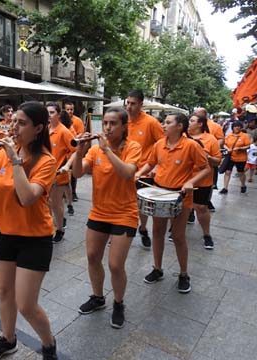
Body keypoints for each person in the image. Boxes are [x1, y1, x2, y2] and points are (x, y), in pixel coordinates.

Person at [0, 101, 58, 360]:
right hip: (7, 233)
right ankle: (8, 340)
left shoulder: (46, 160)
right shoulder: (1, 153)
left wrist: (14, 160)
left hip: (36, 238)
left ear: (39, 128)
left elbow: (28, 196)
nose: (14, 127)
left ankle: (48, 343)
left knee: (26, 305)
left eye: (21, 123)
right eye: (14, 121)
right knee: (4, 292)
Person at [72, 108, 141, 328]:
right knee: (92, 257)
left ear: (124, 127)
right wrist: (80, 153)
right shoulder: (95, 151)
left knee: (115, 265)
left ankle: (118, 303)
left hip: (124, 213)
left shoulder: (133, 147)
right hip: (99, 211)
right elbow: (77, 173)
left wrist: (108, 151)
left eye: (113, 123)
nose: (108, 128)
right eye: (105, 123)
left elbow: (128, 173)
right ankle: (98, 297)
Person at [136, 113, 210, 293]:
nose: (164, 125)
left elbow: (206, 168)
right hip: (159, 192)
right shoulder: (159, 144)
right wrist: (140, 173)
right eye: (164, 122)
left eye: (168, 122)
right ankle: (157, 268)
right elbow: (150, 163)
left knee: (178, 236)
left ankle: (184, 274)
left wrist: (191, 182)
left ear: (180, 126)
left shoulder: (191, 145)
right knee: (157, 232)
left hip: (180, 196)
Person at [126, 90, 164, 249]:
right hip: (124, 169)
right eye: (127, 103)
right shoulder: (123, 121)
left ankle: (142, 228)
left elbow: (163, 144)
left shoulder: (151, 122)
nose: (129, 107)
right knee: (124, 202)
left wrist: (156, 165)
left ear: (141, 104)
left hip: (144, 171)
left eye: (133, 103)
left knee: (140, 204)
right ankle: (121, 230)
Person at [188, 114, 221, 249]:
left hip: (203, 181)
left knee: (201, 208)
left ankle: (206, 234)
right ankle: (175, 229)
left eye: (191, 121)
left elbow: (218, 161)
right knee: (181, 208)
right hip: (183, 180)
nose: (189, 123)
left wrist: (206, 156)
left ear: (200, 124)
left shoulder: (210, 139)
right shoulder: (183, 137)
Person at [46, 102, 75, 243]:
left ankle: (60, 230)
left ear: (58, 114)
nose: (49, 115)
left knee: (56, 204)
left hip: (59, 175)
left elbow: (76, 151)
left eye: (52, 112)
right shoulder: (46, 129)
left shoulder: (64, 131)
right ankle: (50, 228)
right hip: (46, 174)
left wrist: (67, 165)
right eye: (48, 113)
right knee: (47, 204)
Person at [193, 107, 224, 211]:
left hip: (209, 160)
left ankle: (206, 201)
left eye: (197, 113)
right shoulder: (187, 132)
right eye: (194, 113)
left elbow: (220, 139)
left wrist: (212, 147)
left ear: (204, 114)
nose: (195, 114)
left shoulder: (215, 126)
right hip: (189, 173)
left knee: (210, 183)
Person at [219, 121, 251, 194]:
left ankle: (243, 185)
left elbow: (248, 146)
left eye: (238, 126)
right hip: (230, 157)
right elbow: (224, 144)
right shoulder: (229, 135)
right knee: (227, 172)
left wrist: (240, 148)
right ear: (232, 127)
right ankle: (225, 188)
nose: (236, 127)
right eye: (235, 126)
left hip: (241, 158)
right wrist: (227, 148)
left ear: (241, 127)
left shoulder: (244, 136)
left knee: (240, 172)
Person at [64, 101, 84, 202]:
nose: (69, 111)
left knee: (73, 174)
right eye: (67, 109)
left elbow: (81, 133)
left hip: (73, 151)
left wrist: (73, 138)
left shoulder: (78, 121)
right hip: (64, 152)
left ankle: (73, 193)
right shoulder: (62, 120)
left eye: (71, 109)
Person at [59, 110, 76, 217]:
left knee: (66, 184)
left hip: (66, 160)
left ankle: (69, 204)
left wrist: (68, 163)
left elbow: (74, 146)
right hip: (55, 161)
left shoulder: (68, 130)